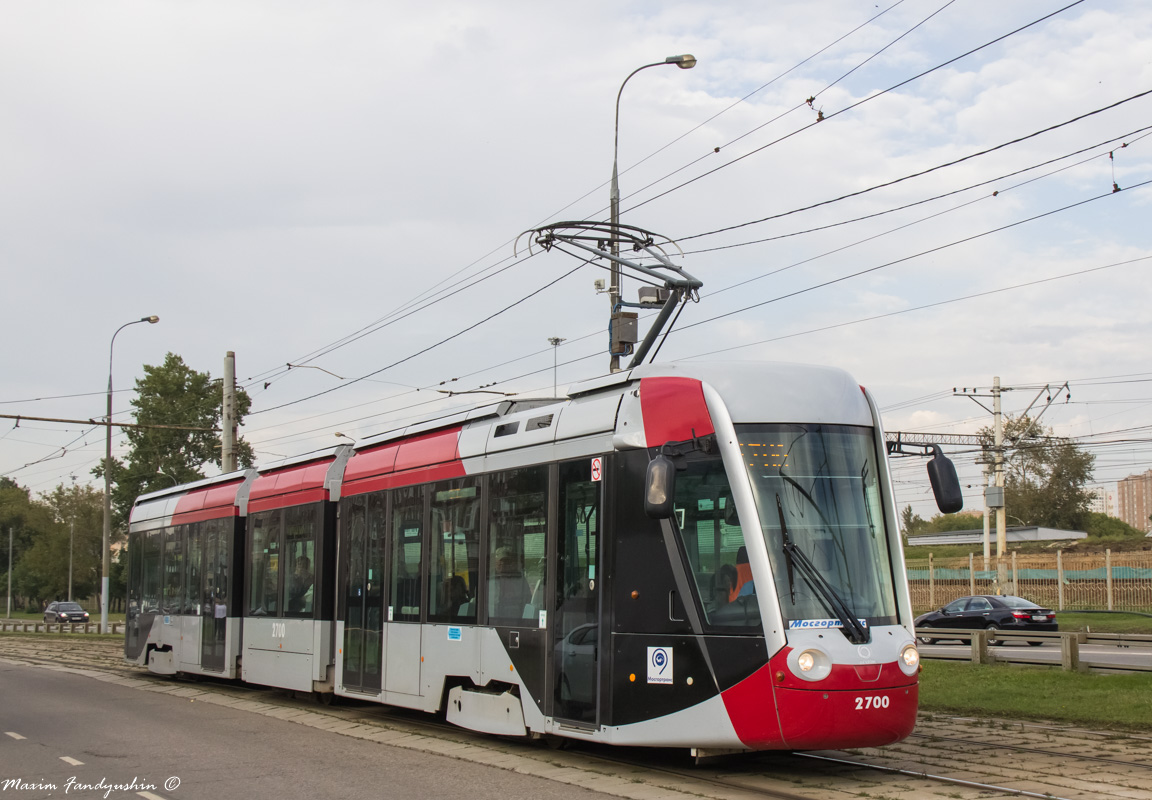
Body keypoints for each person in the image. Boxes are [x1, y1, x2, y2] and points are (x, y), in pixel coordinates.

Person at [491, 546, 531, 619]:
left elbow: (527, 601)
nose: (502, 564)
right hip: (493, 621)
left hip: (515, 620)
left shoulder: (519, 579)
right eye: (500, 561)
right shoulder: (489, 580)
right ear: (495, 562)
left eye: (506, 561)